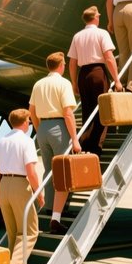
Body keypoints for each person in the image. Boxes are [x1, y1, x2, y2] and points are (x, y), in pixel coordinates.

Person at [29, 51, 82, 235]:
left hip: (42, 127)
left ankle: (48, 209)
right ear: (61, 65)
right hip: (59, 127)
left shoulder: (38, 84)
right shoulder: (63, 83)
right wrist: (75, 139)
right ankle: (56, 218)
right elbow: (68, 113)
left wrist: (39, 129)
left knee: (49, 171)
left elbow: (32, 110)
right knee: (63, 174)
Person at [0, 109, 44, 264]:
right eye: (29, 120)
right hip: (20, 185)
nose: (30, 123)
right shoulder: (27, 141)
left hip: (4, 184)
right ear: (24, 122)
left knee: (13, 233)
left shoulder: (2, 141)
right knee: (30, 232)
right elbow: (31, 171)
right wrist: (39, 192)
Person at [67, 6, 122, 155]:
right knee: (102, 110)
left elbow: (72, 63)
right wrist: (116, 80)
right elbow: (109, 57)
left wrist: (73, 82)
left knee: (87, 111)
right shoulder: (101, 33)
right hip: (98, 72)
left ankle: (85, 144)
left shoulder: (77, 36)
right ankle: (95, 147)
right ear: (95, 18)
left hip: (83, 75)